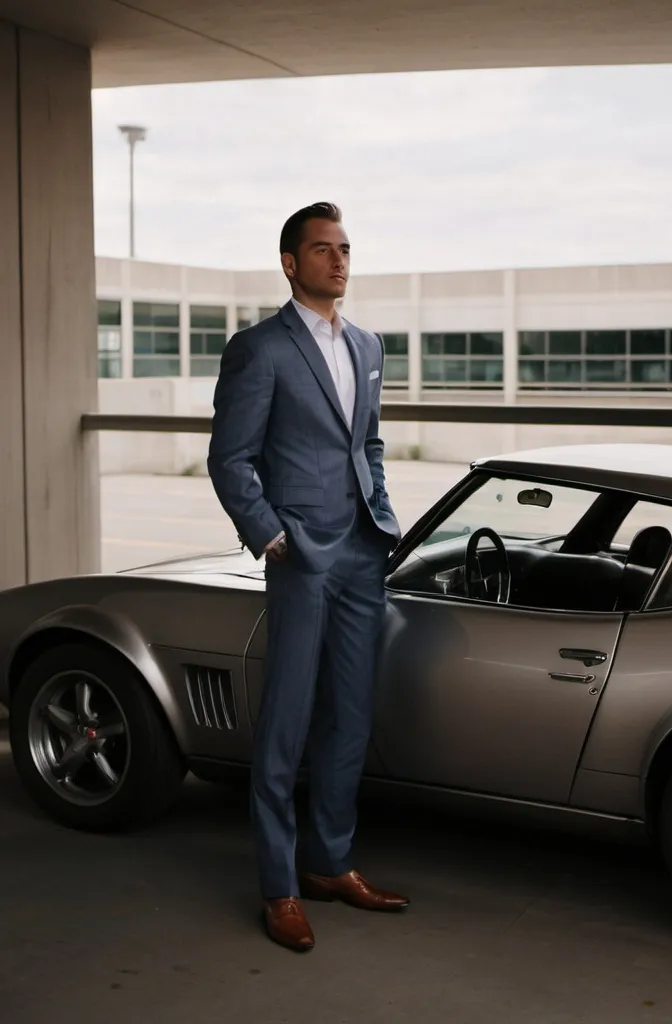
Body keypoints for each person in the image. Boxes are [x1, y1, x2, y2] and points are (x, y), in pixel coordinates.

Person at [208, 201, 408, 952]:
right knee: (287, 724)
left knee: (350, 717)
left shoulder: (367, 343)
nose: (340, 260)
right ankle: (280, 886)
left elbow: (372, 443)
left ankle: (330, 864)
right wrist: (270, 536)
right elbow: (229, 458)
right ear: (291, 262)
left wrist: (383, 516)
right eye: (323, 249)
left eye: (346, 248)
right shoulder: (258, 349)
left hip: (362, 553)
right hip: (300, 559)